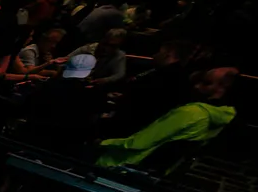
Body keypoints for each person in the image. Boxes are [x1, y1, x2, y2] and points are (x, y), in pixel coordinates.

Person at [94, 67, 238, 169]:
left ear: (222, 88)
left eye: (206, 83)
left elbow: (138, 143)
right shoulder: (222, 115)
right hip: (153, 169)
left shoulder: (192, 112)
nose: (197, 86)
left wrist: (102, 142)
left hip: (123, 164)